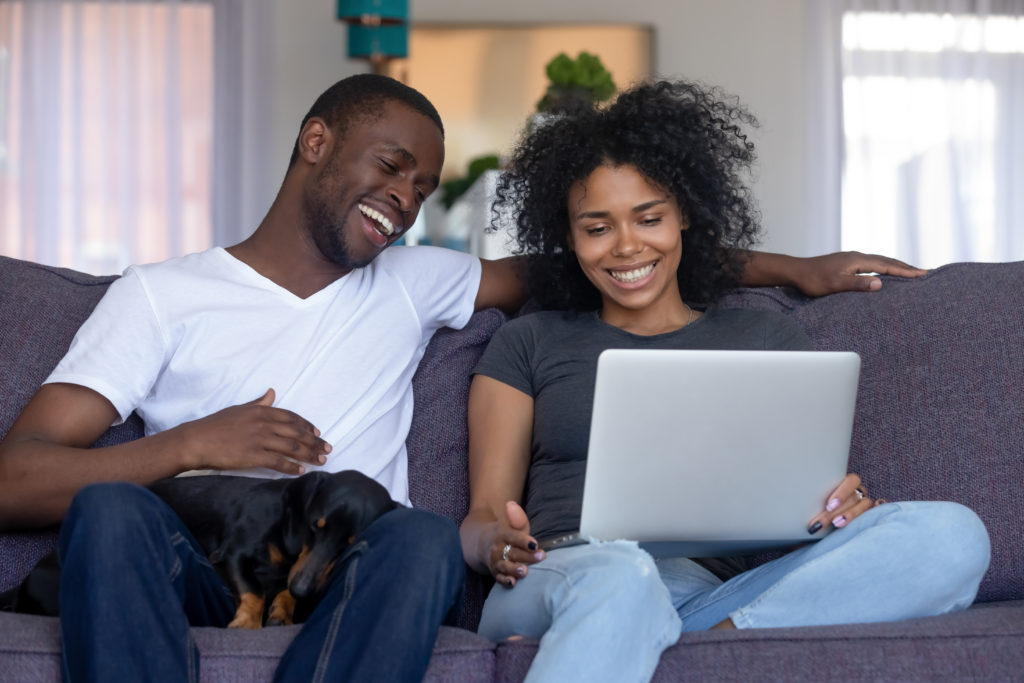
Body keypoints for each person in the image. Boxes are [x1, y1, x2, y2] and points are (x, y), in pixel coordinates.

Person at [0, 73, 924, 682]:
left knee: (421, 541)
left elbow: (605, 257)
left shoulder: (417, 281)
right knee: (110, 513)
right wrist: (193, 445)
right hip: (204, 562)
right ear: (316, 141)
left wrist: (797, 269)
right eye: (391, 167)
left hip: (353, 568)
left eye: (422, 186)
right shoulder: (161, 296)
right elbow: (17, 477)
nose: (404, 200)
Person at [459, 79, 991, 683]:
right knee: (621, 575)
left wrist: (839, 508)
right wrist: (495, 544)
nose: (627, 246)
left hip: (711, 595)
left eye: (649, 217)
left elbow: (802, 507)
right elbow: (479, 518)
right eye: (597, 227)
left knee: (953, 533)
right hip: (562, 574)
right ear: (570, 236)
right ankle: (704, 654)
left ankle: (708, 647)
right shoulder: (529, 341)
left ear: (683, 214)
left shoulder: (768, 340)